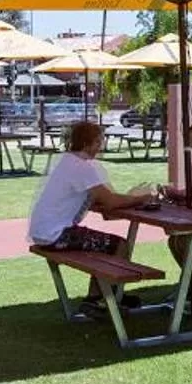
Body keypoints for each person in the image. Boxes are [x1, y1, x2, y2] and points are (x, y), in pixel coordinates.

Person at [27, 122, 150, 310]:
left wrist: (121, 199)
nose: (101, 146)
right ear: (86, 144)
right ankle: (108, 298)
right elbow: (110, 201)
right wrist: (143, 198)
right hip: (56, 235)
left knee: (103, 244)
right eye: (98, 142)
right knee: (119, 245)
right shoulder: (83, 167)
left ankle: (97, 297)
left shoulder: (65, 160)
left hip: (43, 232)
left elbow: (97, 197)